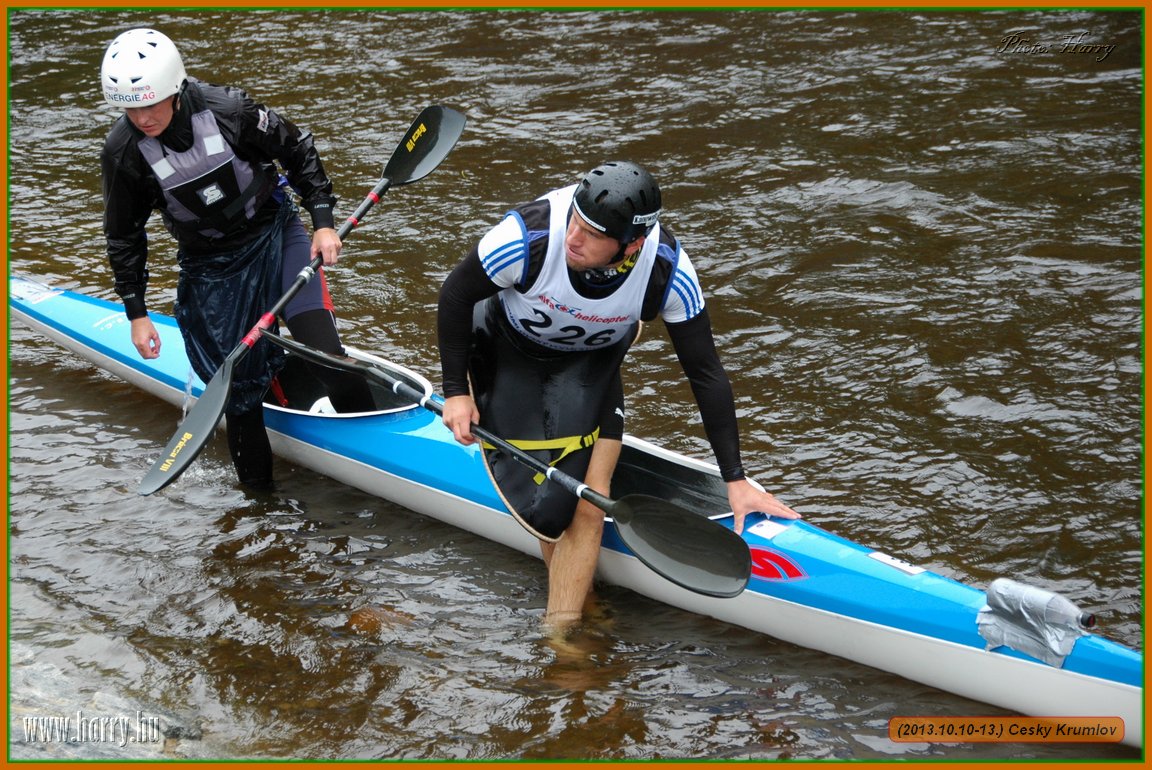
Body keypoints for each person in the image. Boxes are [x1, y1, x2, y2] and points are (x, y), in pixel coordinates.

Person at [437, 160, 800, 629]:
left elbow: (706, 373)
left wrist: (735, 479)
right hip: (507, 352)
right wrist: (455, 394)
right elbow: (454, 295)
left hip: (590, 363)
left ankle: (563, 637)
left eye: (592, 234)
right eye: (576, 221)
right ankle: (583, 608)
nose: (574, 237)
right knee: (551, 508)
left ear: (632, 244)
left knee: (590, 500)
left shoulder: (668, 271)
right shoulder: (525, 237)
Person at [100, 28, 372, 489]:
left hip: (275, 232)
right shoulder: (124, 153)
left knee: (322, 349)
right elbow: (124, 236)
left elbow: (298, 150)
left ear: (174, 89)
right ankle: (261, 505)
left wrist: (323, 221)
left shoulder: (231, 111)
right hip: (211, 267)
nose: (141, 118)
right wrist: (137, 313)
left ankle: (375, 446)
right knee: (240, 396)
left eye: (149, 104)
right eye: (130, 108)